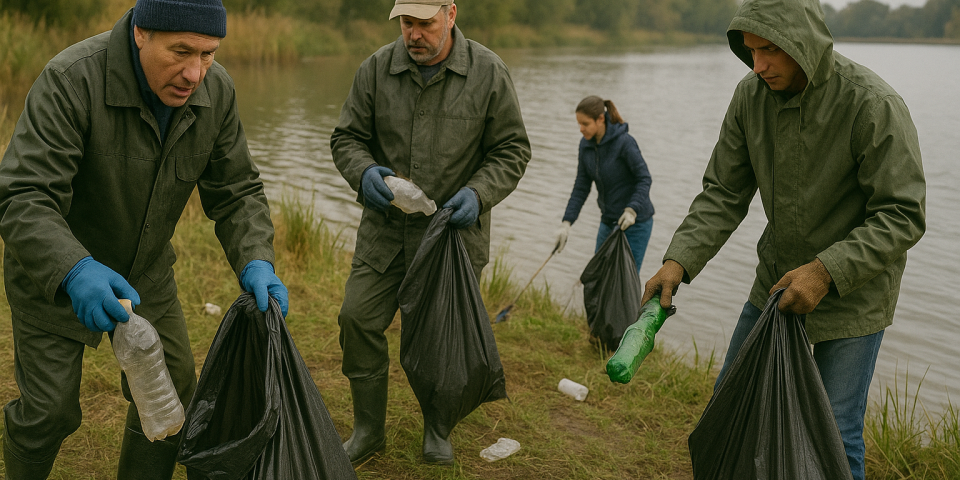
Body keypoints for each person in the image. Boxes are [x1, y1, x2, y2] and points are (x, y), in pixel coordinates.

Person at [0, 0, 289, 478]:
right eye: (180, 51)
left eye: (208, 54)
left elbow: (237, 191)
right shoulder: (72, 78)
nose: (194, 72)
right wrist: (75, 269)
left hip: (146, 273)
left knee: (172, 396)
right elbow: (23, 195)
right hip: (54, 273)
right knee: (49, 413)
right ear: (140, 32)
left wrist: (257, 259)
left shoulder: (217, 92)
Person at [640, 0, 925, 477]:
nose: (759, 65)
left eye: (771, 50)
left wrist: (825, 271)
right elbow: (723, 193)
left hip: (854, 294)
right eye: (751, 51)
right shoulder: (749, 97)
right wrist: (679, 261)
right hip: (775, 283)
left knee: (833, 433)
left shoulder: (873, 104)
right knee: (732, 407)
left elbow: (903, 214)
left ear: (805, 45)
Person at [330, 0, 530, 467]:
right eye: (406, 23)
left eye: (425, 23)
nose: (414, 34)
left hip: (451, 240)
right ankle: (367, 431)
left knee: (441, 339)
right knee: (356, 319)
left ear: (451, 14)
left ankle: (437, 429)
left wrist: (479, 195)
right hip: (384, 232)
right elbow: (346, 139)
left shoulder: (489, 72)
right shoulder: (375, 68)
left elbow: (512, 150)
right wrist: (364, 175)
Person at [553, 96, 654, 272]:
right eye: (579, 124)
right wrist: (566, 223)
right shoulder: (585, 146)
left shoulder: (625, 143)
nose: (581, 129)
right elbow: (581, 187)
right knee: (598, 277)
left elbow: (644, 178)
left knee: (625, 281)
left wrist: (632, 209)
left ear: (600, 119)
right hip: (608, 221)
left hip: (635, 223)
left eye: (585, 124)